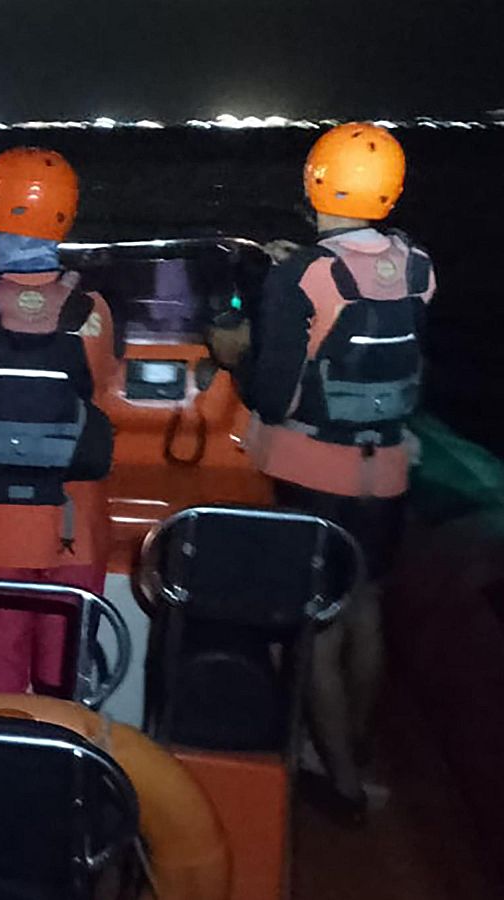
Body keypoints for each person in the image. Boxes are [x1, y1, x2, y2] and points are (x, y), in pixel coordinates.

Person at [237, 122, 434, 820]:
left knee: (316, 622)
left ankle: (341, 784)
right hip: (388, 468)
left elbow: (271, 393)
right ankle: (355, 740)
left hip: (315, 472)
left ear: (316, 181)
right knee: (366, 603)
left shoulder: (299, 275)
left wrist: (241, 342)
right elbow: (362, 291)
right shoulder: (417, 264)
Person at [0, 147, 121, 694]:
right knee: (66, 688)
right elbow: (102, 387)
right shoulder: (96, 311)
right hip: (74, 532)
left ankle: (4, 773)